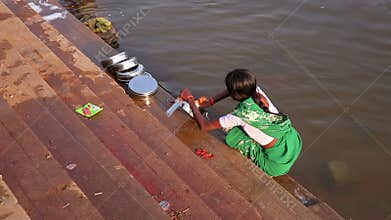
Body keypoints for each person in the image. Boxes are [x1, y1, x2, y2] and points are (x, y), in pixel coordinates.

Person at [179, 69, 302, 176]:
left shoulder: (241, 115)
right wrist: (212, 100)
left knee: (232, 135)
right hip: (293, 141)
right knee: (250, 128)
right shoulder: (256, 91)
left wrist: (190, 99)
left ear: (235, 95)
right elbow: (233, 90)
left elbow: (205, 127)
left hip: (275, 164)